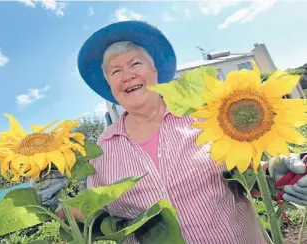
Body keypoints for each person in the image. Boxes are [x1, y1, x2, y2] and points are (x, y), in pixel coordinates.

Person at [33, 21, 307, 243]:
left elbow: (247, 177)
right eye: (115, 71)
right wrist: (51, 205)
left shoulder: (204, 118)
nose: (127, 74)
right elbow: (93, 218)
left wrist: (276, 174)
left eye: (135, 64)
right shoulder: (99, 151)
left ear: (155, 70)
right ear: (109, 85)